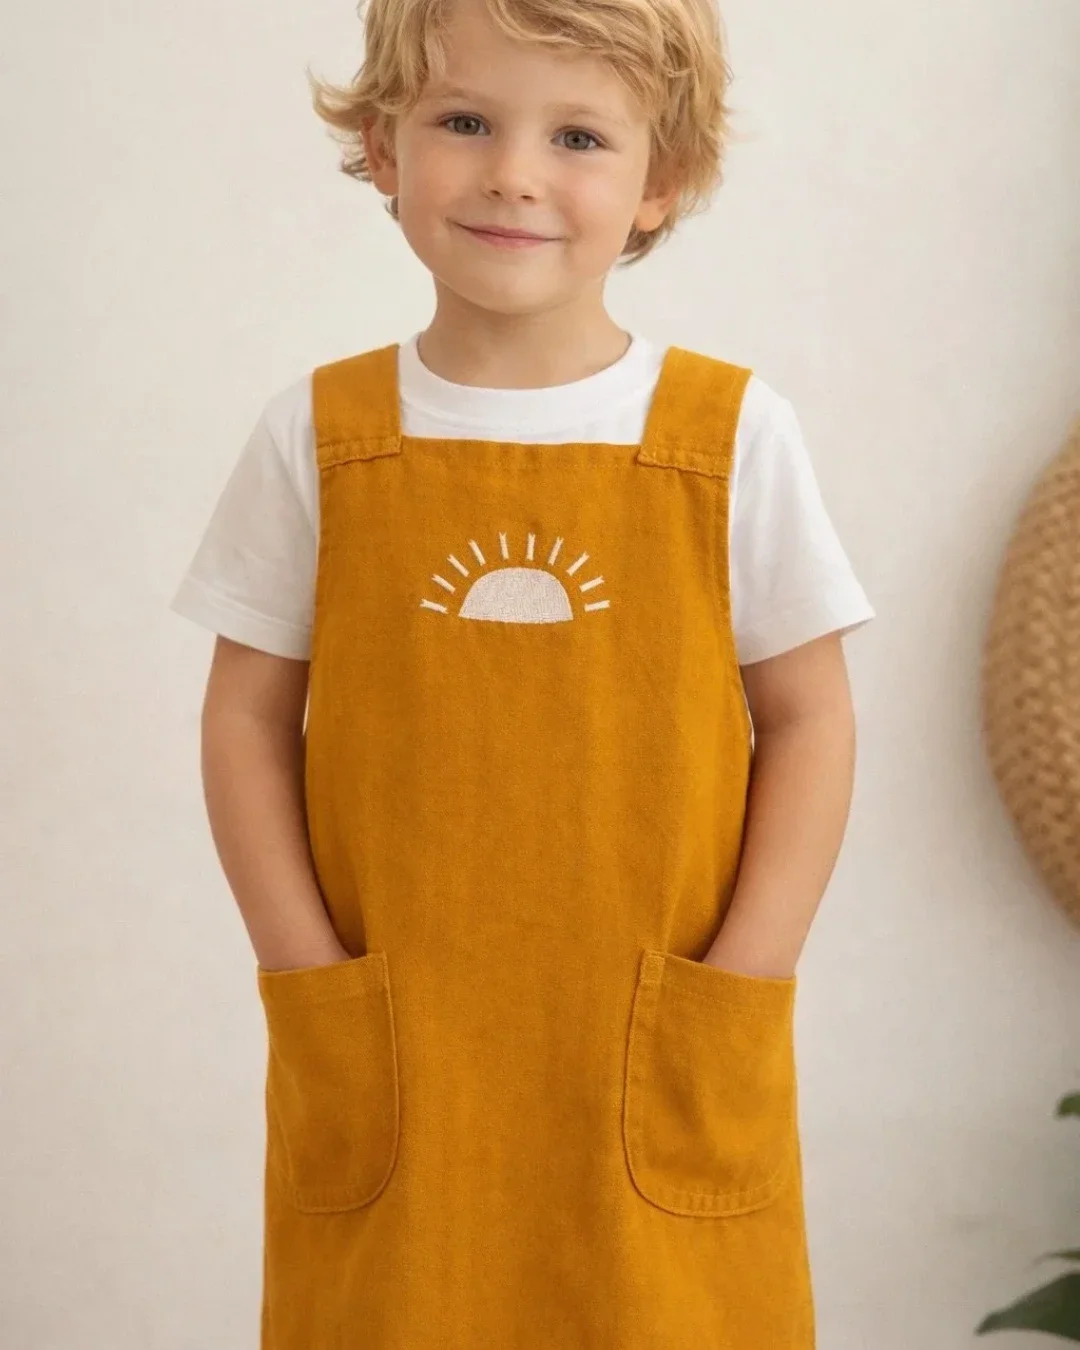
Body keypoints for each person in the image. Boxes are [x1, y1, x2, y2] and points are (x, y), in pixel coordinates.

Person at [170, 0, 876, 1343]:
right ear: (384, 149)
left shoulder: (731, 435)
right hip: (398, 1037)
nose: (514, 173)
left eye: (578, 138)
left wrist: (744, 977)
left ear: (662, 180)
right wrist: (302, 966)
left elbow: (810, 717)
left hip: (655, 1031)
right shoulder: (319, 434)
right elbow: (245, 720)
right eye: (464, 121)